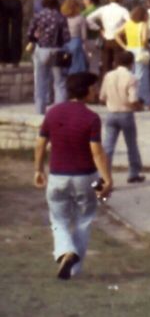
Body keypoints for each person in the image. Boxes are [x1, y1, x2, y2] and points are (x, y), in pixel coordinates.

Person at [33, 72, 113, 280]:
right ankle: (74, 266)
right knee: (84, 220)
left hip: (58, 175)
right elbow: (96, 151)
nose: (95, 92)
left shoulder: (52, 113)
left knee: (58, 219)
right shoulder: (91, 118)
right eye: (93, 88)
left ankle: (65, 252)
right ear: (85, 90)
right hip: (86, 177)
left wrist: (38, 170)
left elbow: (40, 143)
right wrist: (107, 178)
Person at [99, 50, 146, 184]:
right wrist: (139, 107)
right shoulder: (131, 77)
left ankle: (104, 175)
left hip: (111, 112)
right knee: (131, 144)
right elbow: (133, 99)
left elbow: (102, 97)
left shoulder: (108, 75)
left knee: (108, 146)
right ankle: (133, 173)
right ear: (131, 63)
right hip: (126, 113)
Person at [27, 0, 69, 115]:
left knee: (40, 82)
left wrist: (35, 39)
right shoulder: (61, 17)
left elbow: (30, 33)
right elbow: (66, 37)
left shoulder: (39, 16)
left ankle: (40, 111)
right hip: (57, 50)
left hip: (42, 49)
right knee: (59, 83)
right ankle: (59, 113)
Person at [86, 0, 129, 81]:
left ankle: (105, 88)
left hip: (106, 40)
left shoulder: (103, 9)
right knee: (118, 66)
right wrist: (123, 31)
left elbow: (88, 19)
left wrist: (98, 28)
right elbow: (130, 22)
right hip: (118, 40)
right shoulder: (123, 10)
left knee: (106, 66)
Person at [115, 5, 150, 107]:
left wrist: (124, 46)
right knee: (141, 76)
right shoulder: (143, 25)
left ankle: (128, 97)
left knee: (130, 74)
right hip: (140, 50)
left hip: (130, 49)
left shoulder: (128, 24)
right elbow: (144, 39)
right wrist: (148, 46)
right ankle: (142, 99)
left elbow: (116, 34)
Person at [0, 0, 24, 66]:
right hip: (16, 2)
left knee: (3, 31)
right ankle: (15, 59)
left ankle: (3, 58)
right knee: (16, 31)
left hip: (4, 2)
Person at [61, 0, 89, 75]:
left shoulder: (63, 19)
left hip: (64, 42)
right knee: (77, 68)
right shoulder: (80, 19)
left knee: (65, 66)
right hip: (76, 42)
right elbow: (84, 36)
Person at [81, 0, 102, 74]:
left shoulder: (84, 13)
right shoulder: (100, 11)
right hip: (97, 40)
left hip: (86, 40)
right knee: (95, 64)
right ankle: (94, 83)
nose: (82, 0)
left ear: (89, 0)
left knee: (85, 63)